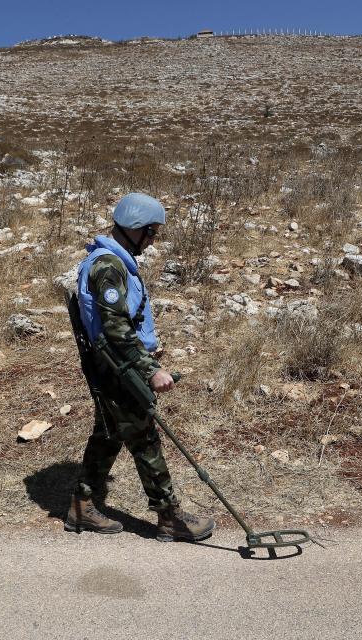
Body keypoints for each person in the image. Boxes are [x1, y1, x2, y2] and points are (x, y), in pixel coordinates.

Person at [66, 192, 216, 542]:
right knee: (145, 438)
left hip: (117, 364)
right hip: (119, 368)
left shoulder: (116, 261)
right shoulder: (107, 266)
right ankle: (169, 517)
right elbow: (116, 329)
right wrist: (150, 369)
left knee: (109, 434)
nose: (153, 240)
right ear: (133, 228)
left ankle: (80, 505)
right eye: (150, 232)